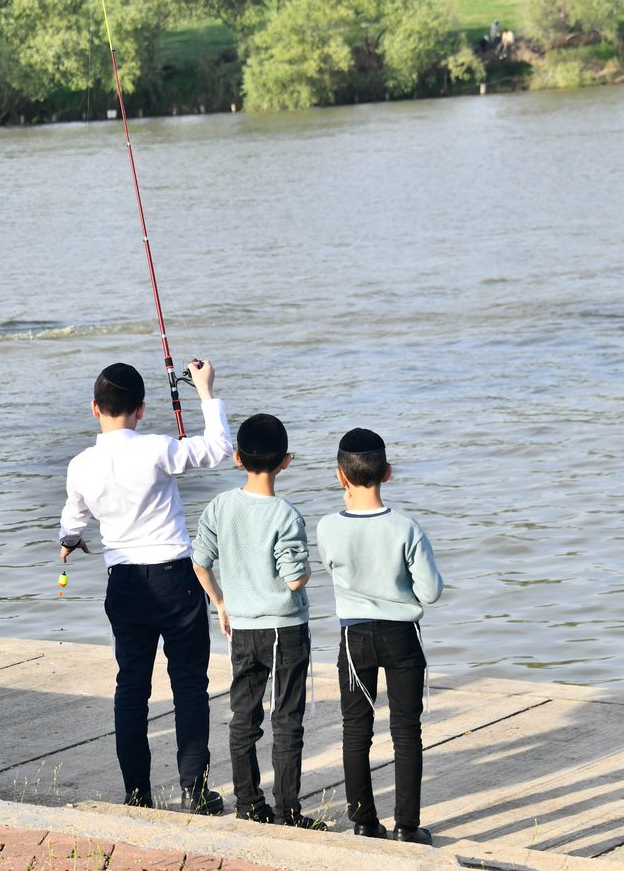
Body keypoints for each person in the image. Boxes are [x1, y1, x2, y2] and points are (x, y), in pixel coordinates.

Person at [58, 360, 232, 814]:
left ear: (94, 408)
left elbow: (74, 518)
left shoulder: (80, 465)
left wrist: (69, 542)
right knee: (189, 686)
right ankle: (195, 791)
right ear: (141, 409)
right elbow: (217, 449)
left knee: (131, 689)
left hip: (126, 585)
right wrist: (206, 391)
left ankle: (137, 793)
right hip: (176, 579)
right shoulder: (157, 448)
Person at [191, 413, 325, 830]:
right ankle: (288, 813)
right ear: (286, 461)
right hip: (285, 630)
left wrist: (221, 602)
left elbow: (199, 561)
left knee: (243, 718)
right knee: (287, 721)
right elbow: (293, 578)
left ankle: (249, 804)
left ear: (236, 458)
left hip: (243, 629)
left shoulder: (220, 506)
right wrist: (310, 568)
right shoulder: (286, 514)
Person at [318, 428, 443, 845]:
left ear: (340, 477)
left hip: (354, 638)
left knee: (356, 730)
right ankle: (407, 826)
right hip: (402, 634)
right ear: (387, 472)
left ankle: (364, 822)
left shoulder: (327, 527)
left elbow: (335, 570)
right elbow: (431, 592)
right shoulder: (406, 527)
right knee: (407, 730)